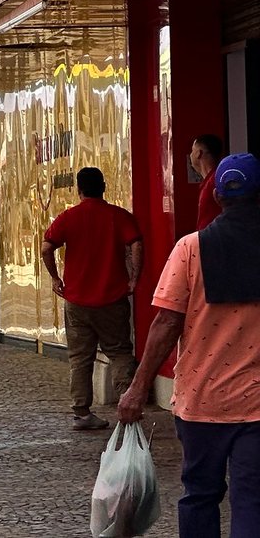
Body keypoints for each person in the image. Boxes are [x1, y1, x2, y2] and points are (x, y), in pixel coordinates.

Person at [119, 153, 260, 538]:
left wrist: (138, 387)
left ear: (216, 194)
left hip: (202, 401)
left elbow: (166, 322)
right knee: (252, 500)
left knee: (199, 494)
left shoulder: (191, 249)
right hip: (257, 407)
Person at [40, 166, 142, 431]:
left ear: (79, 189)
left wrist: (55, 278)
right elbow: (136, 244)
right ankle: (126, 406)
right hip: (112, 298)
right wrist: (133, 278)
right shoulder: (119, 216)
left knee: (80, 358)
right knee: (119, 352)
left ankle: (82, 413)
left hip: (76, 301)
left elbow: (46, 247)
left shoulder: (68, 217)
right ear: (104, 187)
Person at [191, 134, 224, 231]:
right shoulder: (214, 179)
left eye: (192, 151)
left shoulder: (214, 181)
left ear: (198, 153)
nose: (191, 155)